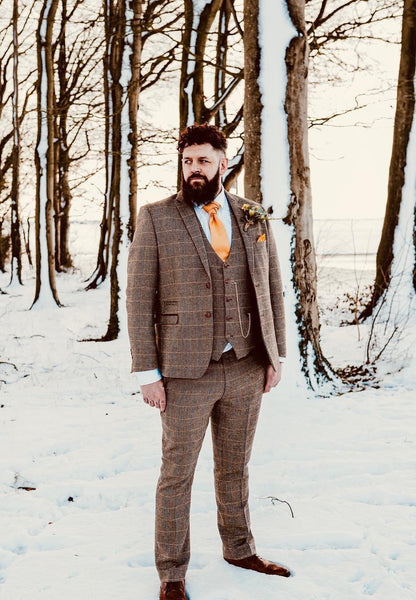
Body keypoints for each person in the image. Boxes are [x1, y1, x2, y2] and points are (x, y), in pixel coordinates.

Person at [126, 123, 291, 600]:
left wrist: (273, 354)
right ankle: (172, 572)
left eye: (203, 160)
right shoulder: (156, 218)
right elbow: (139, 299)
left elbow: (270, 289)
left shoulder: (253, 216)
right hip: (183, 372)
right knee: (176, 474)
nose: (194, 169)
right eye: (187, 161)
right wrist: (146, 373)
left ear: (223, 162)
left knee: (235, 467)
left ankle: (239, 548)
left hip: (244, 365)